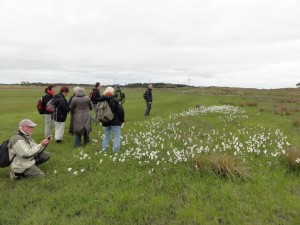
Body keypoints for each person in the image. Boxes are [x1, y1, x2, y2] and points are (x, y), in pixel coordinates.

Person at [100, 87, 125, 153]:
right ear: (112, 92)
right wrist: (122, 120)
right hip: (115, 121)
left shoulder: (102, 100)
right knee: (116, 135)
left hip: (106, 120)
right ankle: (116, 151)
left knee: (106, 135)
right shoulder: (115, 100)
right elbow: (120, 111)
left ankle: (104, 150)